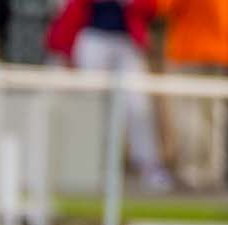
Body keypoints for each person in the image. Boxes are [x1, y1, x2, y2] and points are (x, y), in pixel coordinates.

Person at [49, 0, 172, 191]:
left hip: (127, 40)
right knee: (90, 107)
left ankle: (149, 165)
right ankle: (86, 164)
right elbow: (72, 10)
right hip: (93, 37)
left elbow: (152, 9)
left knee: (137, 105)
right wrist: (65, 50)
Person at [160, 0, 228, 190]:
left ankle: (192, 170)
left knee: (190, 114)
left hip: (189, 51)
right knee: (215, 116)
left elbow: (166, 8)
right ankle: (213, 171)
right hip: (220, 53)